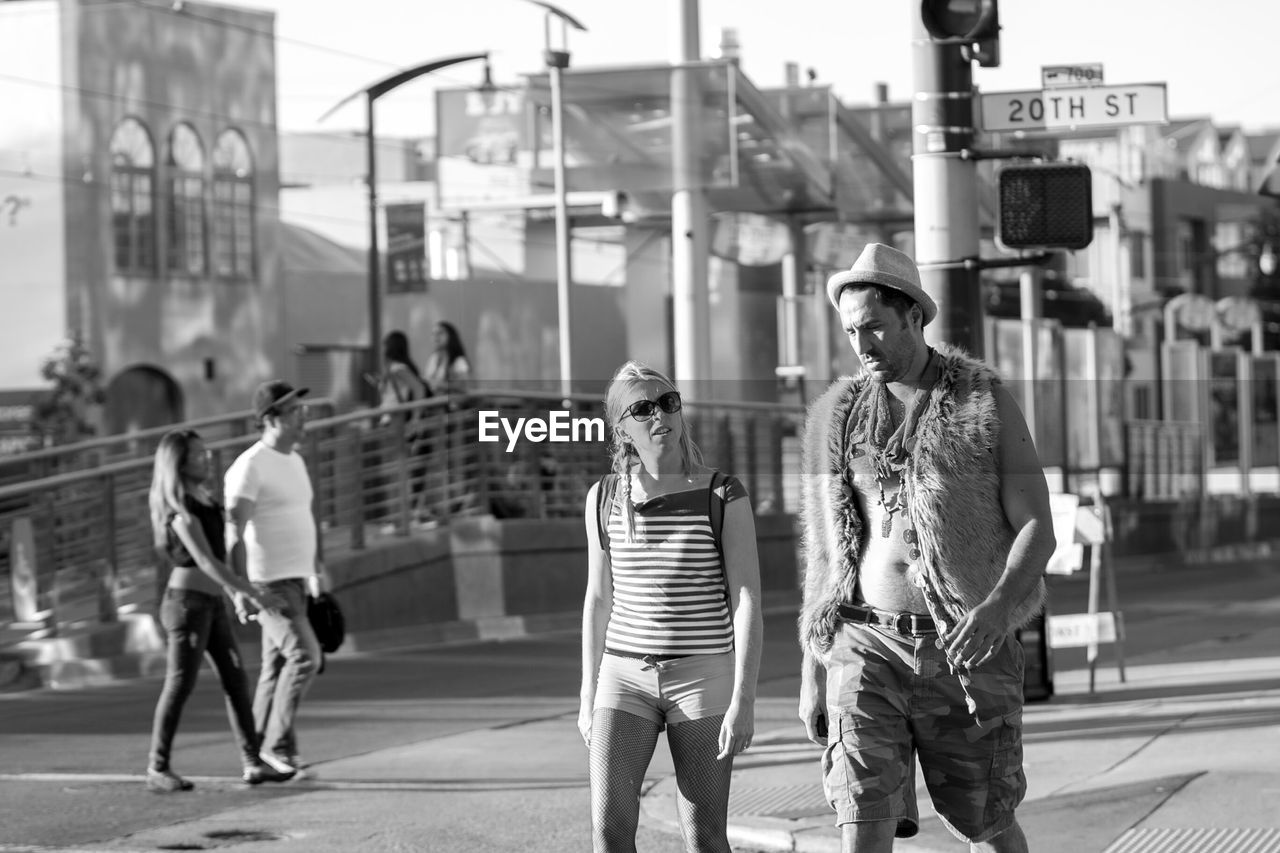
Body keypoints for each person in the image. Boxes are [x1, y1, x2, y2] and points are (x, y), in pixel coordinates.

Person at [796, 244, 1056, 853]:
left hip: (960, 647)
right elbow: (824, 555)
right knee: (860, 822)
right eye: (852, 332)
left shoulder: (980, 401)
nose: (863, 345)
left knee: (985, 823)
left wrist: (994, 611)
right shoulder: (837, 415)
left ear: (914, 315)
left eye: (875, 327)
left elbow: (1038, 527)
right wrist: (812, 668)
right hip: (865, 643)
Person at [579, 361, 763, 853]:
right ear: (621, 428)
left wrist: (743, 700)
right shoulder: (605, 498)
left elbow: (746, 599)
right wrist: (586, 694)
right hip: (623, 677)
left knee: (704, 838)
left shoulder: (722, 492)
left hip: (704, 677)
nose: (659, 415)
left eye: (668, 402)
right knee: (609, 831)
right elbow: (598, 601)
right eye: (641, 409)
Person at [145, 429, 295, 792]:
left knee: (236, 680)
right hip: (186, 606)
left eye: (206, 452)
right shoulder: (180, 507)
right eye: (197, 455)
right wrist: (251, 592)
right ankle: (157, 768)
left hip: (210, 603)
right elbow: (207, 563)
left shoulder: (205, 497)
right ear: (178, 462)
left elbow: (224, 554)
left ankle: (252, 762)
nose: (206, 458)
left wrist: (236, 593)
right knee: (181, 683)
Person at [225, 380, 330, 779]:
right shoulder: (250, 467)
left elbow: (304, 518)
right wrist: (240, 590)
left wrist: (316, 569)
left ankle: (256, 754)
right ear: (270, 419)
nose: (304, 415)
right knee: (305, 657)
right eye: (294, 411)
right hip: (267, 585)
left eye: (303, 409)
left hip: (297, 581)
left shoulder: (295, 460)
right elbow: (233, 530)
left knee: (274, 669)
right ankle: (275, 746)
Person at [375, 330, 434, 527]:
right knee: (397, 471)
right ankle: (402, 517)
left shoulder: (397, 368)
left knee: (397, 471)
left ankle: (402, 519)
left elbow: (419, 389)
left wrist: (415, 418)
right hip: (392, 422)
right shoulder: (395, 370)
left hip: (396, 422)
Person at [424, 320, 471, 396]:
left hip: (451, 404)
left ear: (450, 336)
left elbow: (464, 386)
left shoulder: (458, 360)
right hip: (433, 402)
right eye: (433, 334)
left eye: (440, 333)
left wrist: (442, 385)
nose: (436, 337)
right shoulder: (433, 358)